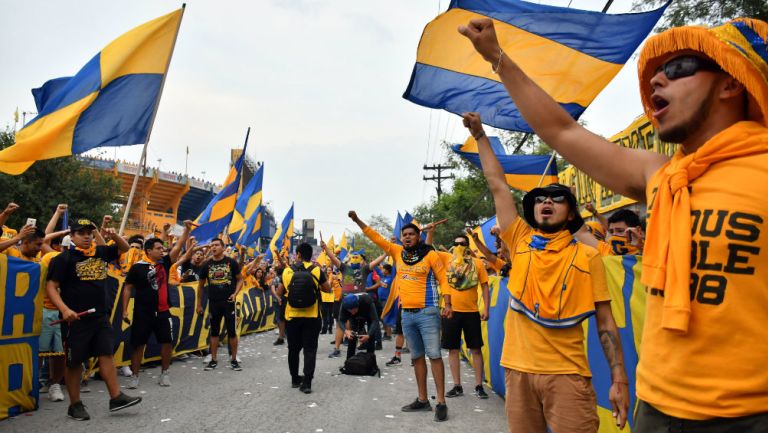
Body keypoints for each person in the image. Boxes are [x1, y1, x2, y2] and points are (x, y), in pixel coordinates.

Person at [460, 16, 768, 430]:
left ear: (732, 83)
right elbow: (560, 129)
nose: (656, 80)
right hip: (656, 408)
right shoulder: (660, 176)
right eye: (655, 73)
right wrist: (497, 57)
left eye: (676, 69)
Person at [462, 113, 629, 433]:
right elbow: (498, 185)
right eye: (540, 199)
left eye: (556, 199)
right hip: (517, 372)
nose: (546, 202)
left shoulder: (588, 255)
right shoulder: (519, 239)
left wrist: (618, 379)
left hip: (568, 375)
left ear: (571, 214)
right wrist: (481, 136)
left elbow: (606, 322)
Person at [351, 211, 452, 422]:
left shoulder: (430, 254)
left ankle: (441, 402)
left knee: (434, 355)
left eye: (411, 234)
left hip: (428, 312)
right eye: (404, 234)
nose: (406, 237)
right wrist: (358, 220)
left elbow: (443, 280)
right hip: (407, 314)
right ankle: (423, 400)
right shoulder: (397, 252)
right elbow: (375, 237)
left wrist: (448, 304)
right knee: (416, 358)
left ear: (418, 237)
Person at [45, 218, 142, 420]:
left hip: (100, 316)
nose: (87, 236)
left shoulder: (100, 252)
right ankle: (75, 404)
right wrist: (64, 309)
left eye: (90, 232)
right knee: (74, 362)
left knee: (106, 354)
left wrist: (113, 234)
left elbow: (123, 248)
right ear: (71, 237)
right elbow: (51, 287)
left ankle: (115, 397)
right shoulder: (63, 259)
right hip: (76, 320)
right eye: (82, 233)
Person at [122, 236, 183, 388]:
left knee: (167, 342)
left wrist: (187, 230)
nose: (162, 251)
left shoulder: (165, 263)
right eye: (158, 248)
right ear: (148, 251)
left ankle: (165, 373)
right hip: (143, 312)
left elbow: (176, 249)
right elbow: (128, 288)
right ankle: (135, 377)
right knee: (138, 344)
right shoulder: (137, 267)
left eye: (163, 248)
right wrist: (124, 310)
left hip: (163, 312)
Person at [437, 233, 491, 399]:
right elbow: (427, 247)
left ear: (468, 246)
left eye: (462, 243)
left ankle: (479, 386)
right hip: (450, 312)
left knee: (475, 349)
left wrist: (486, 308)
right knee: (453, 349)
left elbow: (485, 286)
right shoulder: (447, 259)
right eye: (456, 243)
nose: (459, 246)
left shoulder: (477, 264)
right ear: (453, 245)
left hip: (471, 312)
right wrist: (431, 232)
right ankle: (457, 385)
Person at [276, 242, 331, 394]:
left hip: (292, 316)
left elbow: (279, 292)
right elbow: (328, 289)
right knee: (310, 349)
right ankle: (307, 383)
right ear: (310, 255)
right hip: (312, 316)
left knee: (293, 349)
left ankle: (294, 379)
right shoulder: (317, 270)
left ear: (298, 255)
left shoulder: (287, 271)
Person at [196, 238, 244, 371]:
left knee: (232, 332)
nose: (213, 247)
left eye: (216, 245)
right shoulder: (206, 265)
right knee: (214, 332)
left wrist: (235, 294)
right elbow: (200, 287)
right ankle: (213, 359)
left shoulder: (231, 262)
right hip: (214, 303)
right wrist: (198, 304)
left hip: (228, 302)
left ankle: (234, 360)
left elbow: (240, 280)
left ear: (223, 247)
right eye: (211, 245)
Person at [338, 292, 380, 360]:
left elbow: (375, 321)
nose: (352, 312)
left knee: (371, 336)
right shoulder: (344, 304)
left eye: (354, 310)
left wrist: (368, 335)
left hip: (368, 313)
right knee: (352, 335)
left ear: (357, 305)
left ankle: (371, 361)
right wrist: (346, 331)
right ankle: (349, 361)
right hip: (354, 318)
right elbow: (341, 320)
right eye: (350, 310)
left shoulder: (367, 301)